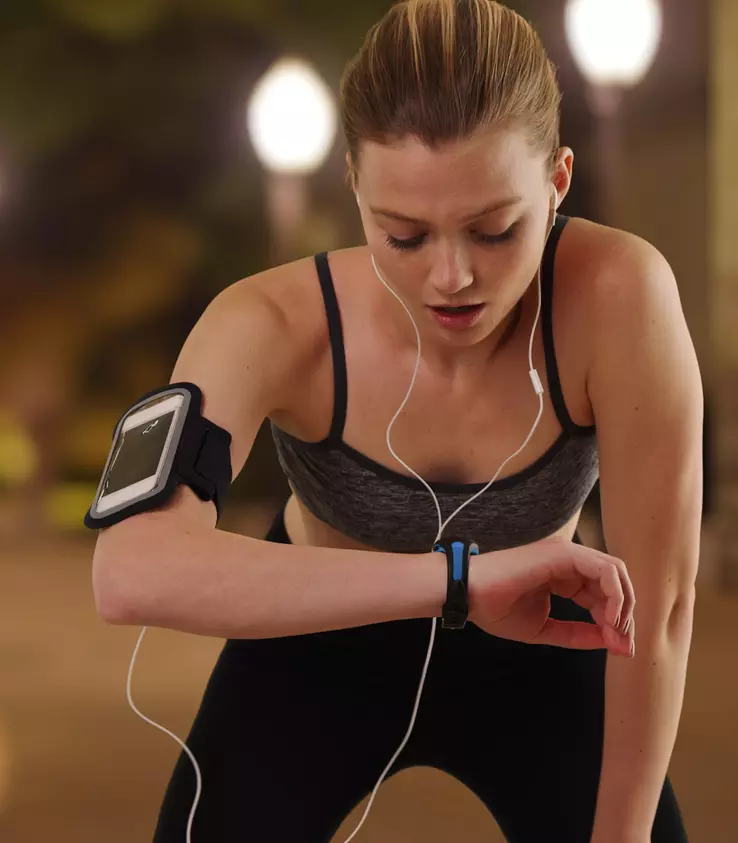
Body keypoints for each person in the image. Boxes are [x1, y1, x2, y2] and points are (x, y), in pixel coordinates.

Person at [91, 1, 700, 841]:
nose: (451, 277)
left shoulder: (621, 297)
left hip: (547, 649)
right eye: (404, 235)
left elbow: (661, 606)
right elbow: (128, 571)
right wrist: (458, 579)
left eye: (495, 230)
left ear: (558, 179)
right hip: (315, 653)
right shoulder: (268, 322)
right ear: (354, 184)